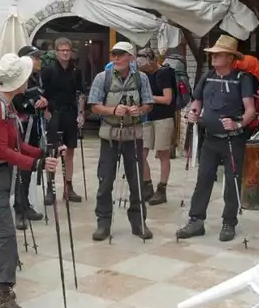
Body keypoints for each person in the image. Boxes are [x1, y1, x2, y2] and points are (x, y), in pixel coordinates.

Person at [0, 53, 61, 308]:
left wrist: (41, 154)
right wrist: (34, 165)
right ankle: (1, 296)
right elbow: (1, 150)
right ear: (19, 81)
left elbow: (15, 146)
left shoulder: (4, 105)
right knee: (5, 236)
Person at [177, 35, 256, 242]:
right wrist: (193, 113)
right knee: (203, 178)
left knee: (232, 181)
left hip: (233, 139)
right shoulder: (208, 76)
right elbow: (197, 101)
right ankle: (196, 221)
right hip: (210, 138)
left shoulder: (242, 79)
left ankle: (229, 222)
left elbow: (250, 110)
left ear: (230, 57)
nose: (213, 57)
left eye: (218, 54)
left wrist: (238, 124)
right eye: (213, 54)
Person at [88, 41, 154, 241]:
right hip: (109, 136)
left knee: (136, 181)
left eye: (120, 54)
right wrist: (113, 111)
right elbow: (94, 105)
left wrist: (139, 110)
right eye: (113, 54)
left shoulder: (141, 78)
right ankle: (103, 223)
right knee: (105, 180)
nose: (115, 58)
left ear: (131, 58)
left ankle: (138, 222)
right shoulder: (103, 77)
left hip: (133, 135)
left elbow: (149, 103)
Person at [41, 37, 85, 205]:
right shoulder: (48, 70)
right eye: (62, 50)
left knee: (70, 151)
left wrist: (81, 113)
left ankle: (68, 187)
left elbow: (80, 93)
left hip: (70, 113)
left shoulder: (76, 70)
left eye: (68, 50)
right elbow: (42, 94)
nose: (65, 53)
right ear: (56, 52)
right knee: (53, 152)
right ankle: (50, 188)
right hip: (54, 113)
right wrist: (45, 110)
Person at [136, 46, 175, 205]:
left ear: (152, 60)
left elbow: (168, 99)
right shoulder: (144, 74)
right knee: (141, 152)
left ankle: (162, 189)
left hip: (163, 117)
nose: (143, 68)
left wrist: (148, 97)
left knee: (162, 153)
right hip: (147, 117)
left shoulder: (164, 73)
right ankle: (147, 185)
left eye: (145, 65)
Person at [13, 45, 46, 223]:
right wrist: (34, 103)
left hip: (34, 128)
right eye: (36, 57)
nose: (39, 61)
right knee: (21, 167)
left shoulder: (36, 78)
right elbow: (18, 102)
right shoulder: (18, 78)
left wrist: (43, 102)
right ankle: (19, 209)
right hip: (20, 129)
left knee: (28, 169)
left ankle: (25, 203)